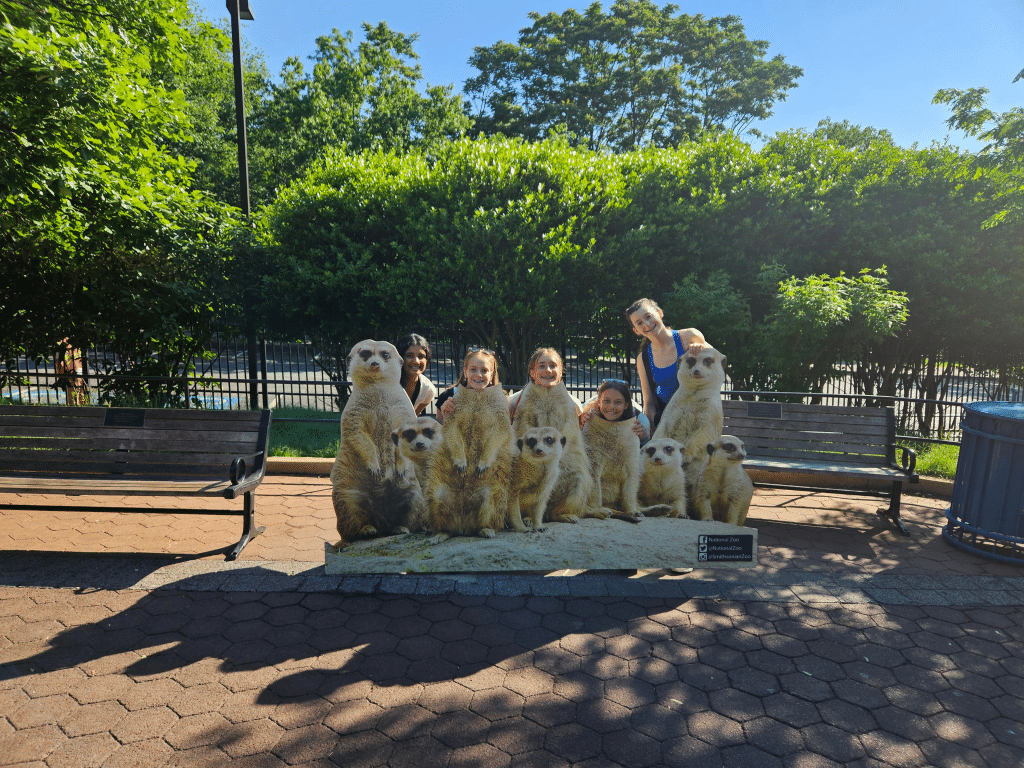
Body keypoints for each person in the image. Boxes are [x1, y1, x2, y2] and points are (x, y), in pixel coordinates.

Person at [626, 297, 708, 432]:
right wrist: (656, 433)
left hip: (698, 419)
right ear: (636, 330)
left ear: (659, 313)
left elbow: (720, 365)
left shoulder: (689, 337)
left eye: (648, 316)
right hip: (667, 425)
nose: (646, 324)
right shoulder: (643, 358)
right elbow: (649, 403)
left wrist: (702, 351)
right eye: (639, 323)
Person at [507, 347, 582, 420]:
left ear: (560, 372)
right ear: (531, 373)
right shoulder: (512, 405)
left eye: (553, 366)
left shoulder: (574, 406)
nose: (548, 370)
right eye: (542, 366)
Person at [436, 347, 502, 424]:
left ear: (491, 375)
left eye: (484, 370)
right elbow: (438, 432)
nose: (479, 375)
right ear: (465, 372)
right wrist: (445, 416)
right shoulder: (447, 397)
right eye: (473, 369)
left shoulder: (499, 400)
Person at [579, 379, 651, 444]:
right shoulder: (587, 414)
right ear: (599, 402)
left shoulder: (641, 422)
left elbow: (646, 450)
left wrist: (641, 438)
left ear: (626, 405)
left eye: (618, 402)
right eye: (606, 401)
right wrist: (582, 426)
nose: (611, 407)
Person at [396, 334, 436, 415]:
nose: (416, 361)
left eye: (421, 356)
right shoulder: (386, 383)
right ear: (399, 357)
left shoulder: (428, 390)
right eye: (409, 356)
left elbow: (411, 418)